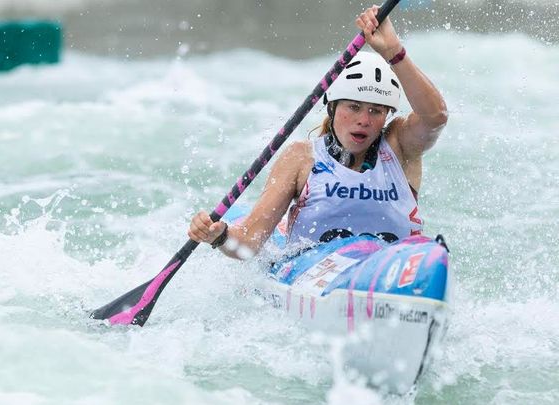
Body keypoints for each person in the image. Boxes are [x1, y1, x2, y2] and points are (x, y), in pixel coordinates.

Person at [188, 6, 448, 259]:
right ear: (332, 108)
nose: (364, 120)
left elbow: (435, 116)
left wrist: (393, 51)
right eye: (354, 107)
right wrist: (220, 237)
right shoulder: (302, 158)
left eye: (376, 111)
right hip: (317, 277)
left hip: (391, 271)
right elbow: (249, 243)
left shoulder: (399, 146)